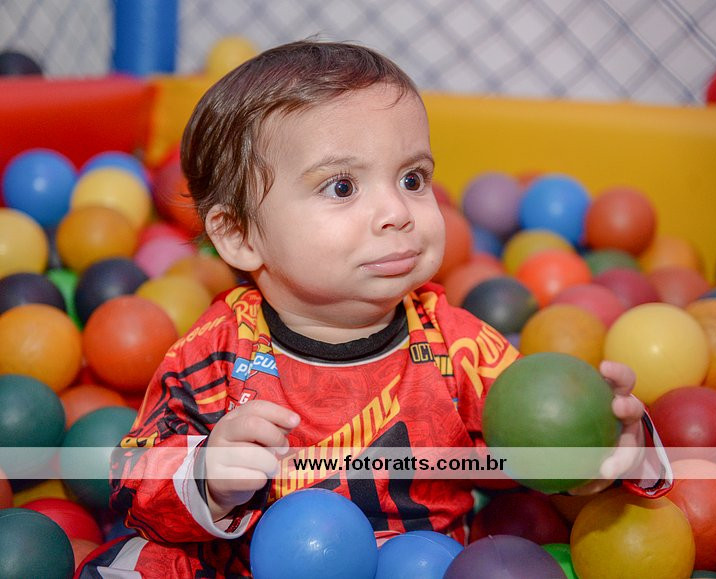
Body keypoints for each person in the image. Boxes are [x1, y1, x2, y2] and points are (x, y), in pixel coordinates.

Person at [79, 40, 670, 578]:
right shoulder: (215, 351)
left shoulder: (458, 347)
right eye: (342, 186)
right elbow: (132, 479)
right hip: (247, 565)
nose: (398, 212)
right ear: (239, 236)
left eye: (413, 178)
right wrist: (207, 478)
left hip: (421, 564)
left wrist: (605, 453)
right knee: (133, 562)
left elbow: (536, 447)